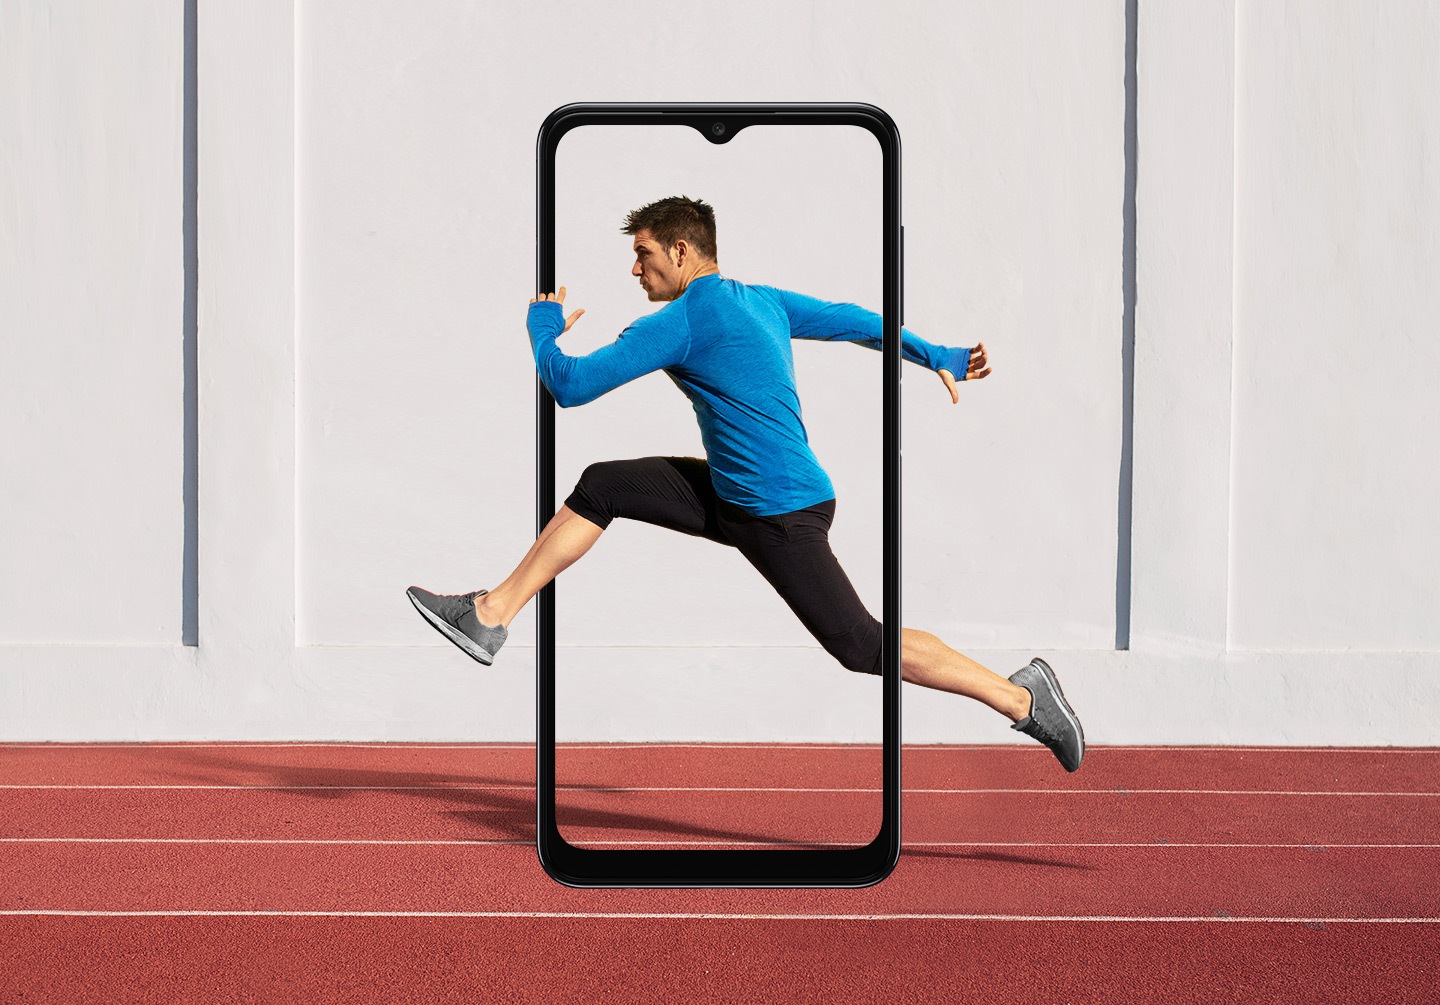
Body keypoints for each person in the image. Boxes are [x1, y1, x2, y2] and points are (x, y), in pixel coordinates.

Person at [408, 196, 1084, 771]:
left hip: (776, 512)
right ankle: (490, 615)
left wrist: (542, 330)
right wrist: (935, 353)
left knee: (859, 644)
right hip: (742, 495)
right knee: (604, 485)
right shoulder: (761, 300)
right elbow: (855, 320)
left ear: (680, 250)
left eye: (643, 254)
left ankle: (1023, 697)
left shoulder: (683, 320)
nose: (634, 268)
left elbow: (570, 385)